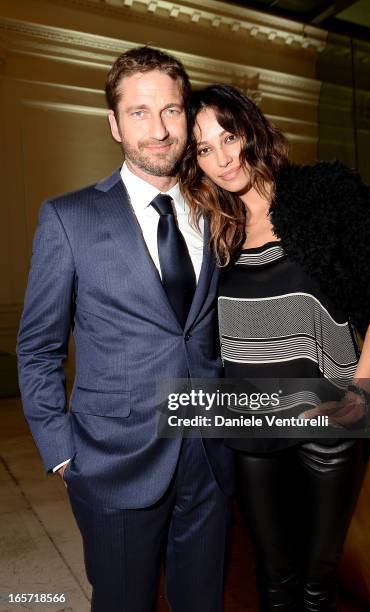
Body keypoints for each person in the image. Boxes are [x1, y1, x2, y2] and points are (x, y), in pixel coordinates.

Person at [17, 49, 234, 612]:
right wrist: (62, 453)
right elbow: (38, 347)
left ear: (187, 116)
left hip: (211, 458)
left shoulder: (218, 211)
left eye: (171, 110)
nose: (159, 130)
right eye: (138, 113)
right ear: (113, 123)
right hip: (113, 462)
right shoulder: (69, 218)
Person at [180, 84, 370, 611]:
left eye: (228, 136)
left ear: (251, 129)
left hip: (330, 421)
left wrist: (361, 397)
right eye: (204, 149)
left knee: (315, 584)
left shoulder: (323, 191)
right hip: (251, 423)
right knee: (274, 579)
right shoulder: (212, 227)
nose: (222, 157)